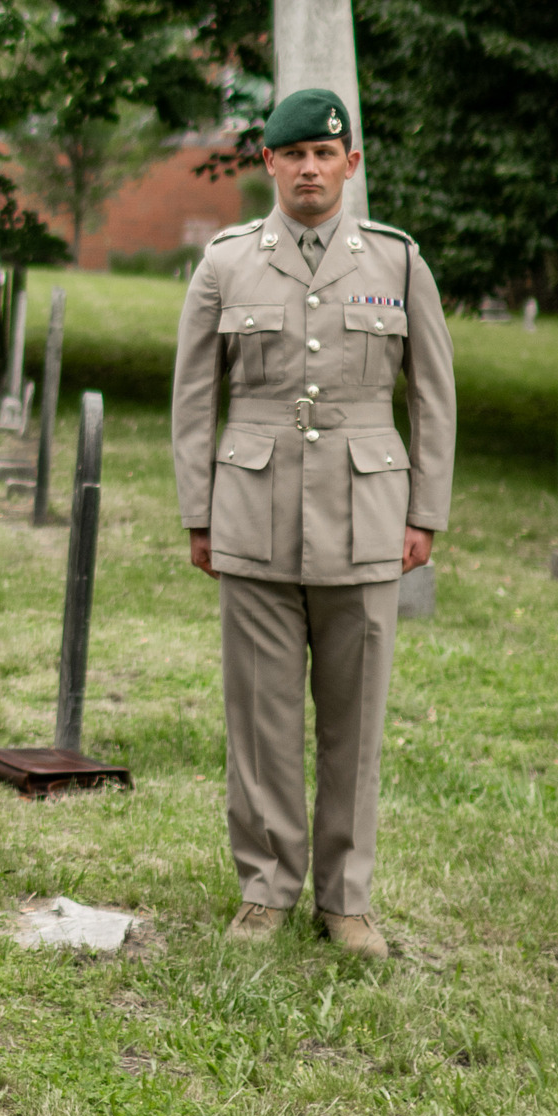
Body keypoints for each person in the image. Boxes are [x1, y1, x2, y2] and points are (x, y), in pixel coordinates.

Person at [168, 87, 452, 960]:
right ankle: (266, 888)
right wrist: (198, 512)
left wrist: (425, 512)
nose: (309, 170)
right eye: (292, 155)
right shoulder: (226, 262)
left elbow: (432, 396)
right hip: (250, 514)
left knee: (355, 717)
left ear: (350, 164)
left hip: (367, 515)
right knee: (260, 715)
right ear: (269, 166)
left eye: (325, 155)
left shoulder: (397, 263)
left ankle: (348, 898)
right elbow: (194, 397)